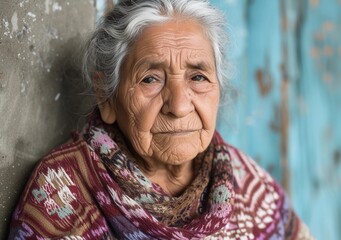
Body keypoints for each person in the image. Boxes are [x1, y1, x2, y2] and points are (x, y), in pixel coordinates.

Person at [9, 0, 313, 239]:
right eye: (151, 79)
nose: (179, 106)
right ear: (106, 96)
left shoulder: (247, 184)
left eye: (198, 76)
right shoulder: (65, 191)